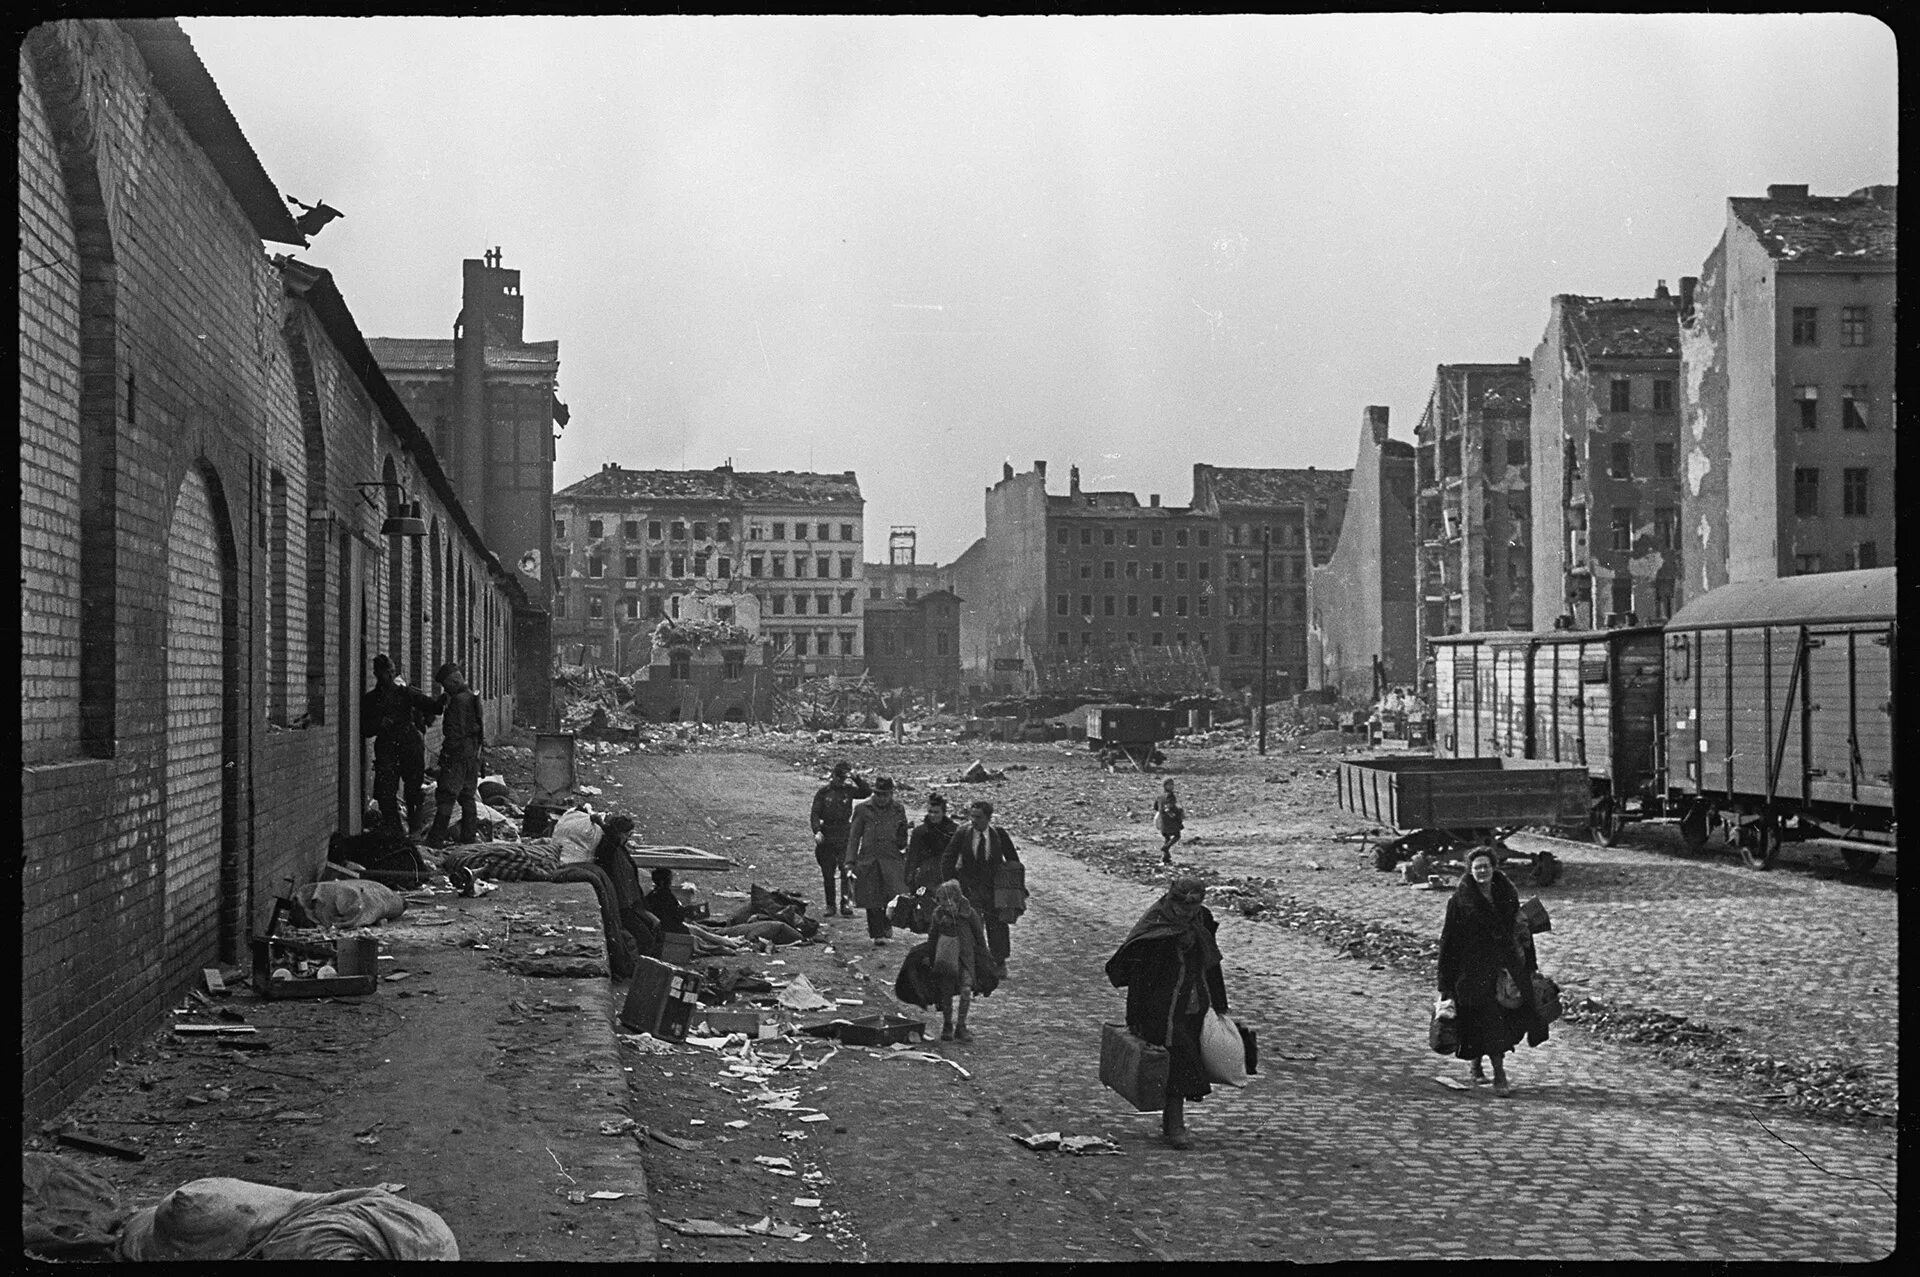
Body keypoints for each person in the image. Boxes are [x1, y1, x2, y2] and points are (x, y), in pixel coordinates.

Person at [1104, 876, 1231, 1149]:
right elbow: (1138, 975)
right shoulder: (1156, 923)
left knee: (1182, 1061)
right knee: (1172, 1062)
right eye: (1181, 907)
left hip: (1192, 1004)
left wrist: (1220, 1004)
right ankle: (1175, 1125)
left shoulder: (1203, 920)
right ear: (1171, 900)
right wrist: (1134, 1017)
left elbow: (1211, 962)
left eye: (1192, 908)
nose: (1185, 913)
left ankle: (1172, 1122)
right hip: (1157, 1008)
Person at [1436, 845, 1546, 1098]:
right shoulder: (1460, 901)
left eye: (1486, 866)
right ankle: (1497, 1074)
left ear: (1494, 868)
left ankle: (1485, 1067)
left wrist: (1529, 965)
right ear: (1470, 871)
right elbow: (1449, 941)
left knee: (1505, 1018)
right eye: (1477, 868)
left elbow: (1521, 931)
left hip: (1505, 968)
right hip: (1472, 971)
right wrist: (1446, 983)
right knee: (1482, 1020)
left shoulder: (1507, 894)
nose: (1482, 871)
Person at [360, 654, 441, 838]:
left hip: (409, 746)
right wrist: (380, 723)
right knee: (385, 794)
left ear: (393, 672)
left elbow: (432, 706)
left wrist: (442, 700)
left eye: (389, 672)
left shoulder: (405, 693)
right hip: (388, 749)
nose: (386, 676)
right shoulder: (371, 699)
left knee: (413, 792)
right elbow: (365, 729)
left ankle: (414, 832)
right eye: (382, 673)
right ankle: (395, 831)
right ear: (376, 674)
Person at [942, 799, 1021, 966]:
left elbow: (1013, 861)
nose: (974, 821)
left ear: (988, 818)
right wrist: (950, 881)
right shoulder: (963, 833)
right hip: (969, 887)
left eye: (978, 817)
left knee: (997, 925)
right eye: (972, 816)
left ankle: (999, 962)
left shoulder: (999, 835)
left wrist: (1013, 888)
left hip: (994, 888)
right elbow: (948, 857)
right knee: (972, 924)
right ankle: (976, 962)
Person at [846, 775, 911, 947]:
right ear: (874, 793)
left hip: (891, 859)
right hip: (869, 859)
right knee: (872, 897)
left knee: (892, 895)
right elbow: (854, 837)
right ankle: (877, 933)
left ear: (891, 794)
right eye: (879, 794)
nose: (882, 799)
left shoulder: (898, 809)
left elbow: (902, 833)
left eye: (886, 795)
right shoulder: (862, 809)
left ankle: (887, 922)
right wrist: (850, 861)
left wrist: (904, 848)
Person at [426, 662, 484, 847]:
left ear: (454, 680)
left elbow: (453, 734)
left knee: (446, 795)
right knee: (467, 796)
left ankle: (435, 839)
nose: (446, 689)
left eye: (446, 685)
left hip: (457, 755)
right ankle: (469, 837)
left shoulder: (458, 702)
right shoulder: (472, 698)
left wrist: (445, 759)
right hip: (471, 754)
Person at [926, 880, 993, 1042]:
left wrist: (984, 959)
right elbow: (932, 937)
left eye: (950, 905)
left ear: (957, 900)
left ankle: (961, 1026)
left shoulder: (969, 914)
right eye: (944, 905)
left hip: (966, 958)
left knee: (965, 990)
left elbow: (979, 937)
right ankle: (947, 1024)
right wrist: (931, 957)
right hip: (947, 959)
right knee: (946, 993)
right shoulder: (938, 915)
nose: (947, 908)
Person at [810, 761, 871, 917]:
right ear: (833, 776)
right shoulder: (824, 792)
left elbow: (866, 792)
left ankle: (845, 904)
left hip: (844, 834)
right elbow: (815, 814)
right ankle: (830, 905)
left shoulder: (848, 791)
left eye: (843, 778)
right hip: (828, 834)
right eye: (839, 777)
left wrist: (857, 778)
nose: (840, 781)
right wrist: (817, 831)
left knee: (846, 871)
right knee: (828, 873)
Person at [904, 791, 960, 903]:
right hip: (926, 876)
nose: (932, 815)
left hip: (946, 875)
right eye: (930, 812)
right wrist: (909, 878)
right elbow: (912, 857)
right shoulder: (919, 832)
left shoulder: (953, 831)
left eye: (936, 812)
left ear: (943, 813)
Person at [646, 867, 689, 935]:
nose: (670, 882)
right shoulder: (664, 896)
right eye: (669, 880)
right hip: (670, 928)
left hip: (668, 926)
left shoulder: (652, 895)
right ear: (662, 882)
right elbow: (674, 915)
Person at [1152, 778, 1185, 864]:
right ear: (1165, 786)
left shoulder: (1159, 796)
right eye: (1170, 785)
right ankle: (1165, 848)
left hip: (1162, 821)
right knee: (1177, 835)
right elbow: (1170, 808)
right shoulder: (1170, 796)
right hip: (1170, 820)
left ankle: (1165, 857)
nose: (1172, 786)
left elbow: (1155, 807)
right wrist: (1178, 814)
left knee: (1167, 837)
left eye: (1172, 784)